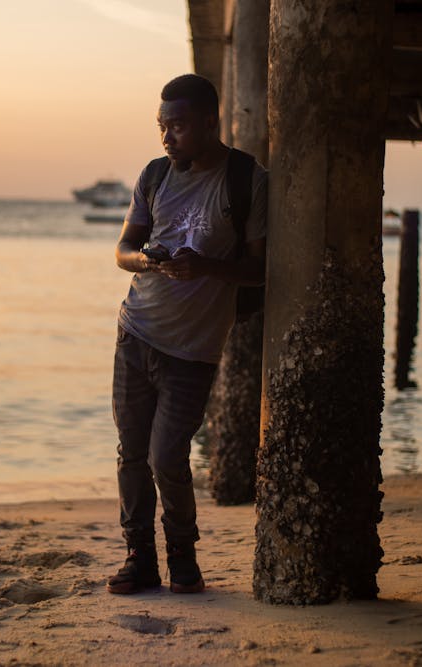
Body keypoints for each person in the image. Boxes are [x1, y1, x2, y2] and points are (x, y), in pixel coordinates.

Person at [107, 74, 267, 595]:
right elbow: (123, 250)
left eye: (177, 126)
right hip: (136, 333)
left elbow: (260, 269)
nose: (167, 137)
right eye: (162, 126)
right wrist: (148, 263)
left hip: (194, 352)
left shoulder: (245, 179)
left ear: (208, 122)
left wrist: (207, 268)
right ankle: (139, 557)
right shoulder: (155, 176)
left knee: (166, 457)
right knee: (132, 454)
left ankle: (182, 557)